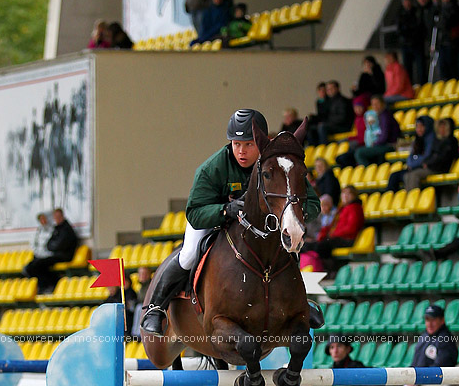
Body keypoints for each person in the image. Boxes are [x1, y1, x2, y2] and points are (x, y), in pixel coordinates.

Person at [140, 109, 322, 336]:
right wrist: (225, 210)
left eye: (248, 144)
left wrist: (290, 212)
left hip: (260, 226)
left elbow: (313, 205)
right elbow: (195, 213)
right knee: (188, 254)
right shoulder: (213, 168)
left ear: (262, 142)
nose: (241, 151)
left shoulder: (277, 165)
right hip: (213, 218)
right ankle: (156, 308)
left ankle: (299, 305)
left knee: (286, 247)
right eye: (236, 144)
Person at [300, 185, 364, 262]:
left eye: (349, 193)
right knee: (313, 245)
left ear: (354, 195)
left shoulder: (355, 208)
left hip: (347, 239)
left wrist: (332, 234)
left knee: (322, 246)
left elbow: (351, 228)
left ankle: (326, 267)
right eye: (343, 193)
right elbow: (334, 225)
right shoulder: (343, 208)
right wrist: (325, 232)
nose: (345, 196)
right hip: (338, 237)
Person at [23, 208, 78, 292]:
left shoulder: (66, 229)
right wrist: (51, 246)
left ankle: (51, 283)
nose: (56, 219)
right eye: (55, 217)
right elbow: (49, 244)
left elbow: (59, 245)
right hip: (56, 254)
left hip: (63, 256)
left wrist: (52, 247)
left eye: (58, 216)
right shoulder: (57, 229)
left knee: (38, 265)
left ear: (62, 216)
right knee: (32, 265)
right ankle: (46, 283)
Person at [401, 117, 459, 191]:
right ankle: (410, 198)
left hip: (439, 168)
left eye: (444, 127)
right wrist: (426, 162)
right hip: (431, 166)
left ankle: (414, 197)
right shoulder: (437, 140)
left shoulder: (451, 141)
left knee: (414, 175)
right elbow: (432, 155)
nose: (441, 129)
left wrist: (428, 164)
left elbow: (443, 158)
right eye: (440, 127)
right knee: (407, 175)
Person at [386, 115, 435, 193]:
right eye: (417, 127)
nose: (419, 129)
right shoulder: (417, 140)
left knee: (410, 176)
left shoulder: (432, 140)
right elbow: (411, 155)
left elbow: (427, 156)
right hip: (414, 167)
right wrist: (411, 163)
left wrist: (413, 164)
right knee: (394, 176)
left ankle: (412, 199)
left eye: (421, 127)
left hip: (424, 167)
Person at [354, 95, 400, 166]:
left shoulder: (385, 117)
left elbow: (384, 137)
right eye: (373, 104)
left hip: (389, 145)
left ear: (383, 104)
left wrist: (375, 144)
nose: (375, 106)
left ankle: (368, 172)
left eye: (377, 104)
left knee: (359, 152)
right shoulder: (379, 115)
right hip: (382, 144)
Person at [307, 81, 353, 146]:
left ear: (337, 88)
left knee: (322, 127)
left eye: (331, 88)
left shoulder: (343, 101)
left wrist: (327, 122)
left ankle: (324, 147)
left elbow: (342, 118)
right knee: (311, 129)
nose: (329, 91)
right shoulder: (330, 101)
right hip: (333, 125)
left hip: (342, 126)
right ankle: (313, 149)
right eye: (328, 89)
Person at [396, 0, 424, 84]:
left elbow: (419, 27)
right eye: (405, 1)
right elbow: (399, 29)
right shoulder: (400, 14)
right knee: (407, 68)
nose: (407, 3)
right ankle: (409, 85)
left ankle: (422, 83)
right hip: (405, 44)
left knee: (420, 67)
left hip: (416, 43)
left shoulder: (417, 12)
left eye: (408, 1)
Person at [437, 0, 459, 80]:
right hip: (443, 41)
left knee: (452, 65)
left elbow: (448, 22)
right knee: (443, 66)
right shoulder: (441, 9)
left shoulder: (454, 9)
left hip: (451, 41)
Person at [335, 96, 368, 168]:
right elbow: (358, 135)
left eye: (360, 107)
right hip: (358, 145)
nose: (357, 109)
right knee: (339, 159)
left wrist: (353, 141)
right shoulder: (357, 119)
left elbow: (364, 137)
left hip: (362, 146)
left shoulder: (367, 117)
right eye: (356, 107)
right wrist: (348, 139)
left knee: (343, 158)